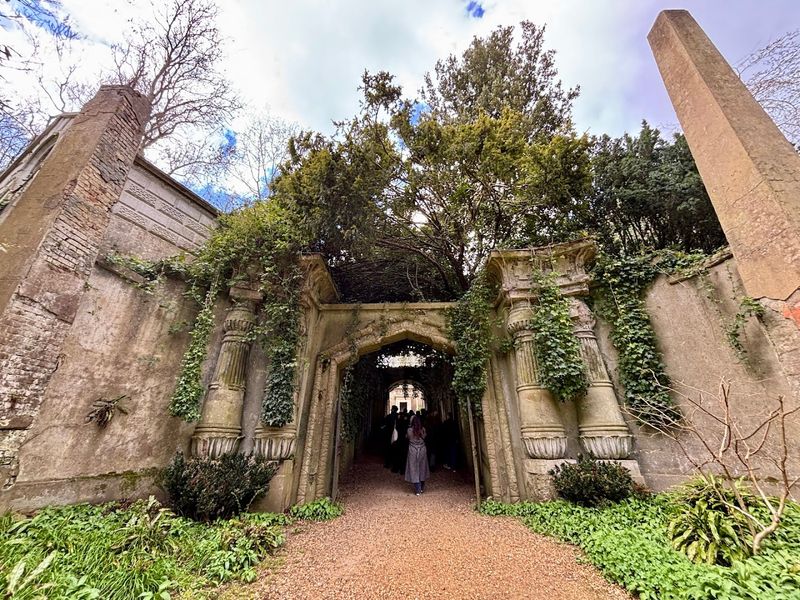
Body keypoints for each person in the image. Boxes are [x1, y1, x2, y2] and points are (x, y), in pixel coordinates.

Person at [405, 415, 430, 495]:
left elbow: (408, 437)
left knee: (414, 468)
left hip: (413, 450)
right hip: (422, 449)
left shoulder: (409, 430)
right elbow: (425, 437)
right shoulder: (423, 429)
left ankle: (418, 489)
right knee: (422, 468)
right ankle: (421, 488)